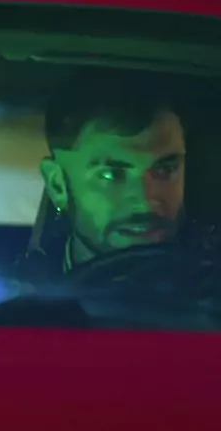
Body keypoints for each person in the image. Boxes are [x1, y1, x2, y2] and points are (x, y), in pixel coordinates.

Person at [20, 68, 203, 282]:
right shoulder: (18, 291)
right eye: (111, 175)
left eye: (166, 169)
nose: (145, 202)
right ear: (57, 185)